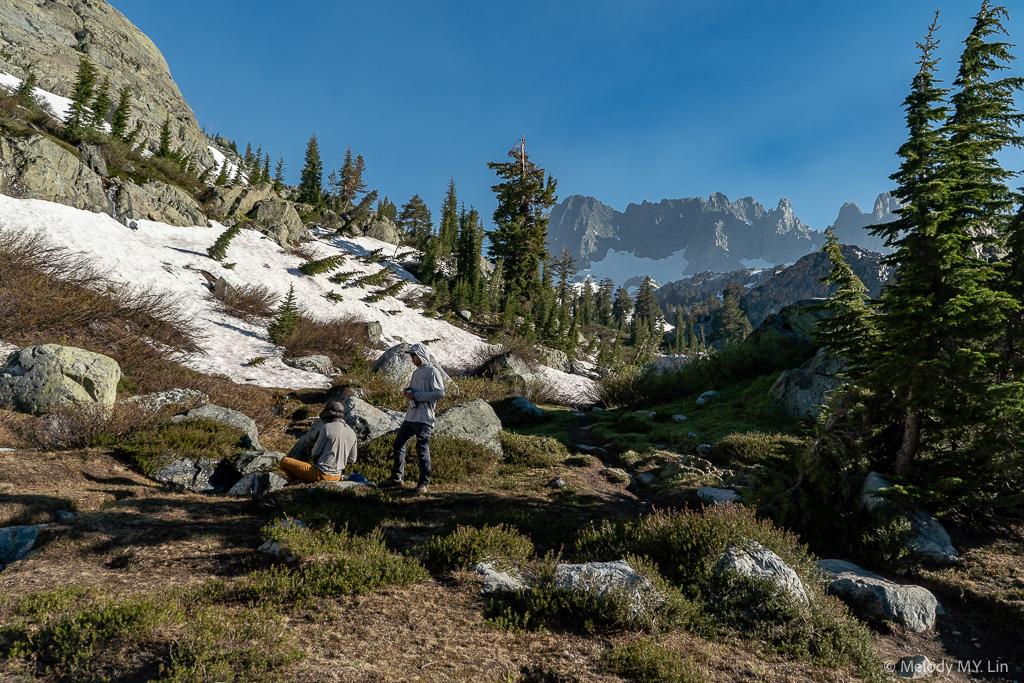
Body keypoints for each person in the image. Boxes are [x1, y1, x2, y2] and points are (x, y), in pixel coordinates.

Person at [379, 342, 445, 494]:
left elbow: (440, 393)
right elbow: (416, 392)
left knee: (422, 450)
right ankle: (396, 478)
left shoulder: (433, 371)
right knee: (398, 444)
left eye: (414, 355)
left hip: (424, 418)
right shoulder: (415, 373)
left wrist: (418, 396)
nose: (412, 359)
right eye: (411, 356)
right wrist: (409, 394)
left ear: (421, 355)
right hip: (410, 417)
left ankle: (423, 484)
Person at [279, 401, 357, 483]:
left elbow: (315, 452)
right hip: (337, 476)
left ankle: (294, 483)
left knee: (284, 461)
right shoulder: (351, 432)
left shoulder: (327, 428)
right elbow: (352, 459)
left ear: (328, 417)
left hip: (321, 474)